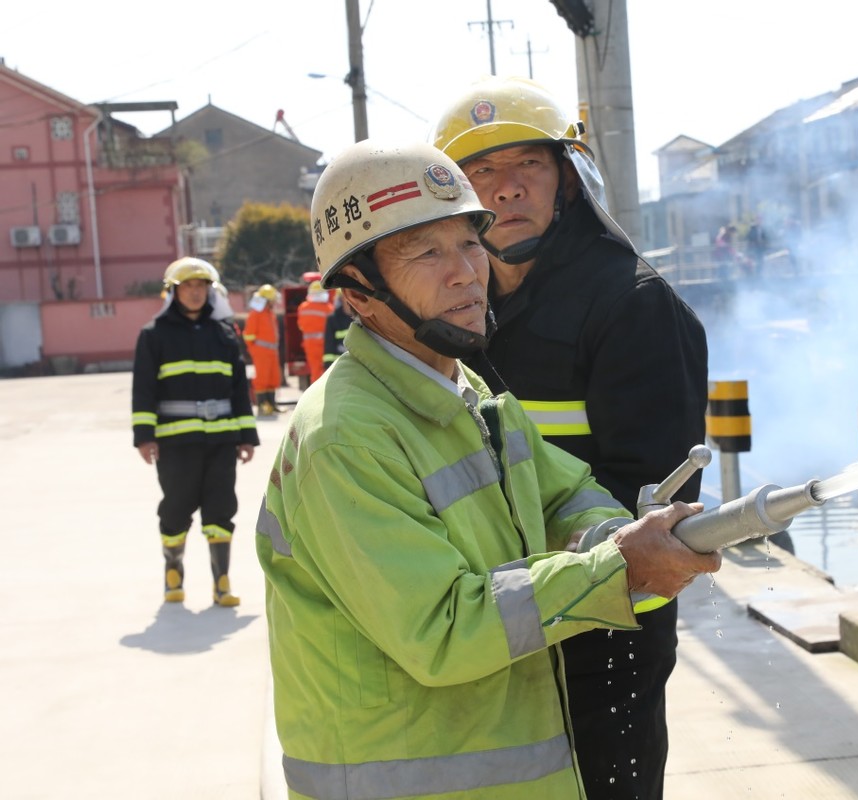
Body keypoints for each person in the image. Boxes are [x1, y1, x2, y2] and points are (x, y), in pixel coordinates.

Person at [255, 140, 720, 799]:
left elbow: (564, 494)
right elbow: (442, 629)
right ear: (357, 294)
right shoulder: (345, 438)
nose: (466, 273)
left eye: (470, 243)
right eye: (426, 252)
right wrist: (617, 569)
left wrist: (619, 541)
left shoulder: (462, 388)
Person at [433, 76, 709, 799]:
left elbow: (653, 504)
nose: (506, 188)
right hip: (490, 625)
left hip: (603, 633)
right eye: (481, 172)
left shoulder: (632, 306)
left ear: (568, 180)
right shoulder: (452, 313)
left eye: (528, 164)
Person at [132, 257, 258, 606]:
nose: (195, 293)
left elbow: (237, 388)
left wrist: (246, 436)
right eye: (188, 287)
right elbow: (143, 389)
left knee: (221, 509)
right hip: (176, 443)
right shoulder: (153, 335)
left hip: (221, 440)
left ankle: (222, 583)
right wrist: (145, 436)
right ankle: (173, 573)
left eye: (200, 286)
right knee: (176, 508)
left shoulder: (224, 333)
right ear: (173, 292)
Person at [243, 283, 282, 417]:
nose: (274, 302)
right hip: (261, 352)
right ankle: (262, 406)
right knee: (262, 379)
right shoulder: (256, 314)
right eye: (272, 300)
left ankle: (271, 405)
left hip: (271, 352)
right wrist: (254, 350)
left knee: (273, 378)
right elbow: (248, 335)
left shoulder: (269, 313)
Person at [296, 279, 334, 384]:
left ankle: (316, 396)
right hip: (326, 345)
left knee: (315, 371)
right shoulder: (329, 308)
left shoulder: (302, 308)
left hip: (310, 345)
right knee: (328, 370)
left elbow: (301, 326)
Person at [322, 288, 353, 371]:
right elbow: (329, 346)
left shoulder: (362, 318)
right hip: (339, 367)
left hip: (359, 367)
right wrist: (328, 369)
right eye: (346, 296)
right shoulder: (333, 319)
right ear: (341, 298)